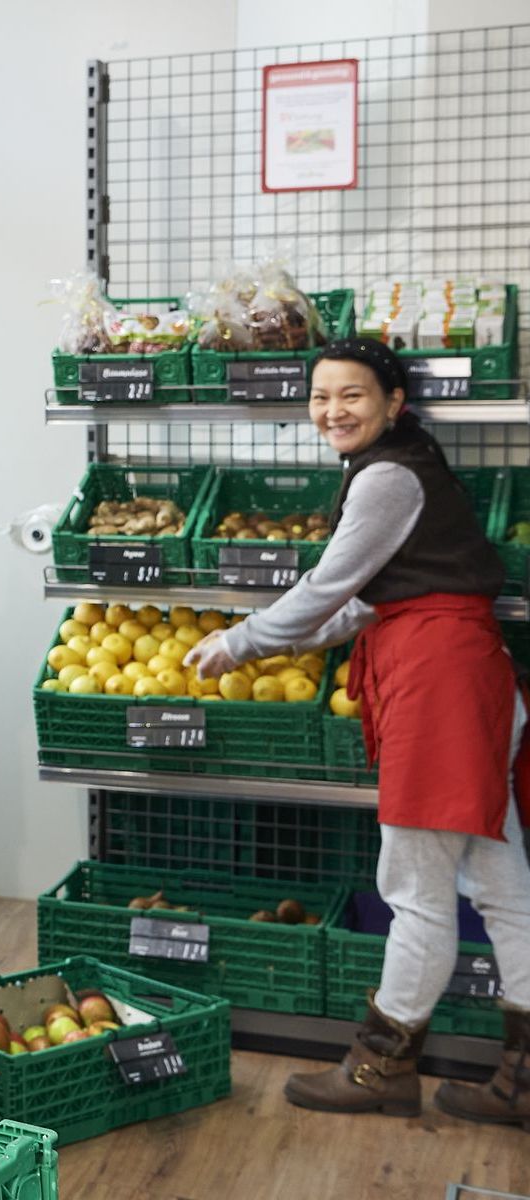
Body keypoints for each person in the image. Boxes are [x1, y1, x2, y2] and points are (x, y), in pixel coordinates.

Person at [186, 336, 530, 1125]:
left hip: (440, 687)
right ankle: (523, 1076)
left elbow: (327, 584)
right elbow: (371, 599)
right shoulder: (406, 465)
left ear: (393, 404)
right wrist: (289, 637)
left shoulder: (385, 478)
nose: (332, 411)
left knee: (415, 888)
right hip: (467, 675)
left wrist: (244, 640)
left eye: (353, 396)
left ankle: (382, 1068)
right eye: (320, 397)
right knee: (501, 880)